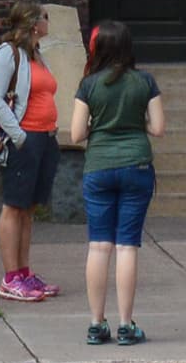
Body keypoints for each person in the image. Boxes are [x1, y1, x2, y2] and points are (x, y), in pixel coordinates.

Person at [69, 20, 166, 344]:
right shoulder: (144, 82)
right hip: (136, 165)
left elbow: (77, 133)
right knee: (127, 245)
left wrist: (100, 122)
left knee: (99, 245)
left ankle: (97, 324)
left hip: (99, 167)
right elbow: (158, 128)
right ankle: (126, 325)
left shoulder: (89, 85)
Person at [0, 5, 61, 304]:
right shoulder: (8, 53)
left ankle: (24, 272)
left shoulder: (37, 55)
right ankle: (10, 277)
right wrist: (19, 136)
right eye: (44, 16)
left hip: (45, 138)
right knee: (13, 206)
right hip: (24, 140)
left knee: (28, 208)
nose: (47, 21)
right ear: (32, 23)